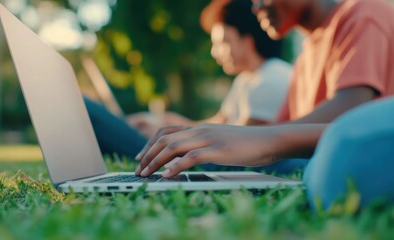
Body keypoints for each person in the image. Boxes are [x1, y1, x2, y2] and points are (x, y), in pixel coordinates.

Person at [135, 0, 394, 208]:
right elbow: (278, 129)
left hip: (352, 159)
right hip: (311, 160)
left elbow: (348, 117)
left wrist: (256, 139)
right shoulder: (305, 57)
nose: (256, 7)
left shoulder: (364, 12)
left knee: (207, 156)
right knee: (207, 152)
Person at [85, 0, 292, 158]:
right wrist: (166, 124)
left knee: (91, 112)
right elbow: (219, 124)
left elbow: (239, 142)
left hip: (216, 159)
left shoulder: (271, 78)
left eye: (223, 42)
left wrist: (175, 135)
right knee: (116, 130)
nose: (215, 52)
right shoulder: (247, 80)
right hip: (209, 155)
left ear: (247, 40)